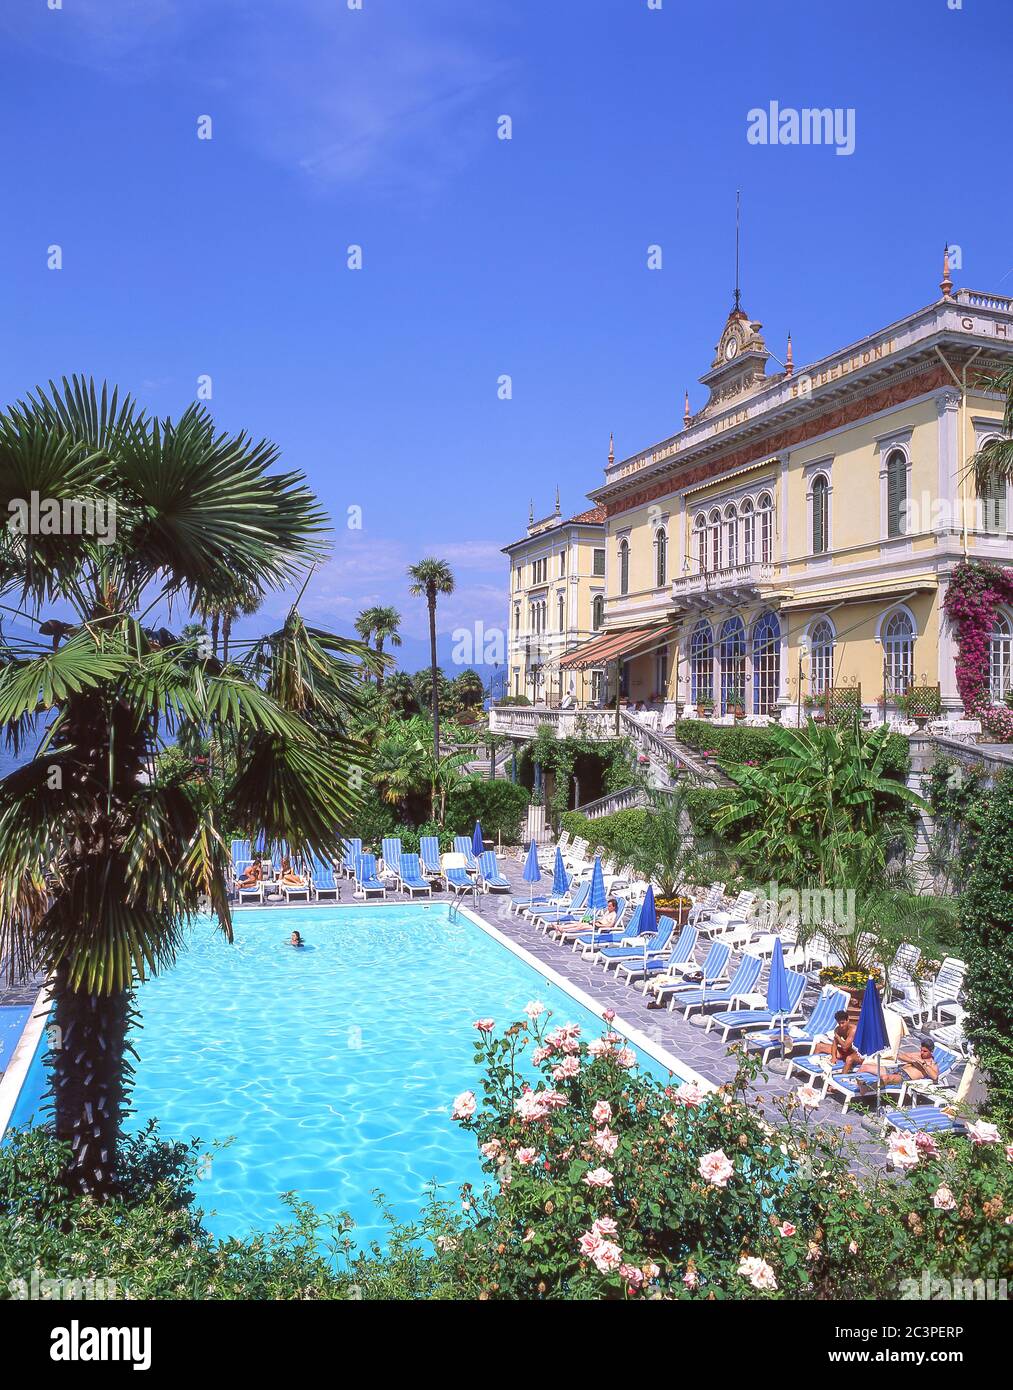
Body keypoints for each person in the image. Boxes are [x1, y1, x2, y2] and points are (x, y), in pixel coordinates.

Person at [857, 1035, 938, 1092]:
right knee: (865, 1067)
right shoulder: (918, 1055)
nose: (922, 1052)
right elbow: (900, 1056)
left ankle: (866, 1089)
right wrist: (912, 1061)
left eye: (925, 1051)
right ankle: (854, 1084)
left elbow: (935, 1077)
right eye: (921, 1050)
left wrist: (923, 1064)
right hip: (896, 1069)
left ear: (931, 1051)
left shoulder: (932, 1064)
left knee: (886, 1078)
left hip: (905, 1077)